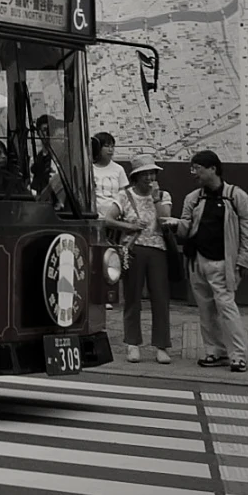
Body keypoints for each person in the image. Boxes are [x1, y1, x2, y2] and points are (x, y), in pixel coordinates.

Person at [174, 150, 248, 373]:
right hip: (197, 260)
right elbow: (185, 228)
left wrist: (245, 260)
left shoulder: (236, 196)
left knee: (226, 307)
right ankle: (214, 351)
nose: (194, 173)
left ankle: (238, 355)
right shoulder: (193, 198)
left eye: (197, 168)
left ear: (213, 168)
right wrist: (171, 222)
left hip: (224, 261)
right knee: (205, 309)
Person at [99, 156, 174, 364]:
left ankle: (161, 346)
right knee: (132, 297)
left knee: (160, 297)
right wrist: (129, 226)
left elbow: (166, 219)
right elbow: (108, 219)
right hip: (132, 249)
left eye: (153, 173)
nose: (150, 178)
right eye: (146, 174)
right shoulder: (124, 196)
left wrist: (157, 199)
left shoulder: (163, 195)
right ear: (136, 177)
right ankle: (132, 343)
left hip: (157, 248)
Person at [89, 132, 128, 212]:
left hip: (114, 215)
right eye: (106, 146)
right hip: (95, 213)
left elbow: (123, 193)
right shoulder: (89, 169)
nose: (110, 150)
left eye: (112, 146)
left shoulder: (119, 169)